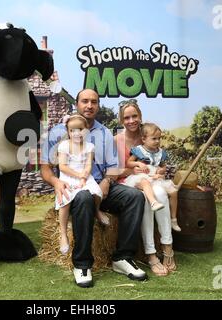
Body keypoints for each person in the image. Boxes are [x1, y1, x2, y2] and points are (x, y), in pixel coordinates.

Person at [41, 89, 147, 288]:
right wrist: (56, 183)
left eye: (94, 102)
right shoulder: (57, 132)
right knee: (83, 197)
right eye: (85, 101)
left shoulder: (104, 133)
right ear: (77, 104)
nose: (89, 105)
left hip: (100, 185)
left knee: (135, 197)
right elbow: (45, 169)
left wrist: (106, 181)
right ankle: (82, 264)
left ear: (98, 106)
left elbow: (114, 168)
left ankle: (122, 258)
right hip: (74, 190)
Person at [115, 99, 176, 277]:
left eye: (135, 116)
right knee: (144, 198)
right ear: (121, 120)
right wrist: (133, 168)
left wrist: (160, 171)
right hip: (129, 181)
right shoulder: (117, 140)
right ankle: (151, 254)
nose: (131, 120)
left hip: (151, 181)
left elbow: (160, 163)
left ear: (140, 116)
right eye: (127, 117)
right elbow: (114, 171)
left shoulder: (149, 135)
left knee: (159, 194)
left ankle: (167, 248)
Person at [55, 113, 109, 255]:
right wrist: (78, 175)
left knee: (96, 192)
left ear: (86, 130)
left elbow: (88, 165)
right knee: (64, 201)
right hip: (68, 176)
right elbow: (63, 167)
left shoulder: (89, 146)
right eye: (72, 130)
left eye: (80, 129)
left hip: (85, 176)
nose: (76, 133)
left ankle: (96, 210)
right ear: (68, 132)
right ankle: (63, 234)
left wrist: (84, 176)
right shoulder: (64, 146)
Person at [126, 123, 181, 232]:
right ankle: (153, 202)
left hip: (156, 175)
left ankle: (173, 219)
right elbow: (129, 163)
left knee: (174, 192)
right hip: (145, 174)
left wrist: (162, 170)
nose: (157, 141)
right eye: (154, 138)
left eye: (159, 138)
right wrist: (139, 164)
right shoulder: (139, 150)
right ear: (144, 139)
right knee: (145, 183)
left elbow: (164, 166)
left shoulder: (160, 152)